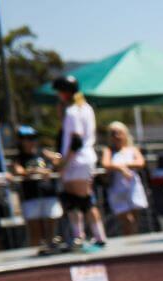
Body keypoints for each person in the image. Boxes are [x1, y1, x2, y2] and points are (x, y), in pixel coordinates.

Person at [46, 75, 107, 251]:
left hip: (77, 159)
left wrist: (64, 162)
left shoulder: (73, 111)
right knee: (74, 199)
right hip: (83, 158)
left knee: (82, 200)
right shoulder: (85, 108)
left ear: (64, 93)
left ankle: (95, 237)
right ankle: (80, 236)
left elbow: (76, 141)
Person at [12, 126, 63, 249]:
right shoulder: (19, 158)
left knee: (51, 226)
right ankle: (35, 255)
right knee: (35, 231)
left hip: (48, 193)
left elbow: (59, 159)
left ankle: (51, 251)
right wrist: (35, 171)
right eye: (27, 138)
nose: (31, 141)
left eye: (33, 138)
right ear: (21, 141)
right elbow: (18, 171)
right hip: (31, 197)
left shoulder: (43, 153)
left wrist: (49, 169)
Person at [101, 121, 148, 236]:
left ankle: (134, 243)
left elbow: (141, 162)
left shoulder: (132, 149)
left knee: (135, 219)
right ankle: (129, 241)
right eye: (113, 134)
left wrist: (124, 166)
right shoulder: (108, 151)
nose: (116, 136)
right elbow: (106, 164)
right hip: (117, 188)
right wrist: (121, 169)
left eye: (119, 133)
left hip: (132, 186)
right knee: (127, 220)